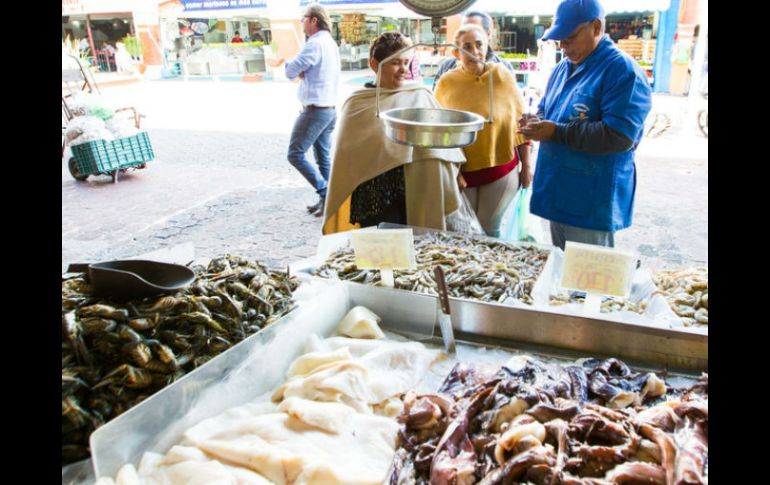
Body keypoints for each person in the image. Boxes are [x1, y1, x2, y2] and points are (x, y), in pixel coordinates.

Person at [518, 0, 652, 250]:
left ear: (597, 27)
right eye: (560, 40)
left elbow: (618, 136)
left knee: (587, 283)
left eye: (569, 38)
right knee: (561, 274)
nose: (563, 47)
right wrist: (536, 121)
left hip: (592, 202)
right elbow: (547, 110)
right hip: (558, 194)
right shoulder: (562, 68)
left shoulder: (622, 71)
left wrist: (556, 132)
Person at [322, 32, 470, 235]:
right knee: (382, 257)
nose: (404, 70)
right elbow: (347, 158)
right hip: (375, 195)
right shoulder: (357, 104)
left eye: (407, 62)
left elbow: (444, 143)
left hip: (419, 190)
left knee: (421, 254)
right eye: (395, 63)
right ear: (374, 64)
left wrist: (457, 172)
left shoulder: (420, 96)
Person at [434, 24, 532, 238]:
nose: (474, 51)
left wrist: (527, 165)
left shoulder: (502, 76)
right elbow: (440, 133)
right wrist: (454, 172)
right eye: (466, 46)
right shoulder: (446, 83)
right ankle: (470, 271)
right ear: (456, 52)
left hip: (501, 170)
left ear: (488, 47)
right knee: (466, 231)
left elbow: (520, 124)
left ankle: (492, 271)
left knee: (489, 228)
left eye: (479, 45)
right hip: (463, 173)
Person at [267, 3, 340, 216]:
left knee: (295, 154)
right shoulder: (330, 43)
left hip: (315, 110)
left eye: (303, 20)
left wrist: (289, 65)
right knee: (323, 158)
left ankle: (325, 190)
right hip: (329, 109)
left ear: (313, 20)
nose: (302, 24)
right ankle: (328, 200)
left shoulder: (314, 44)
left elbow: (291, 71)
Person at [433, 11, 513, 89]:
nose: (469, 35)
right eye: (464, 30)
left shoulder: (504, 69)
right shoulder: (446, 67)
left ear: (488, 34)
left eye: (475, 30)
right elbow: (433, 100)